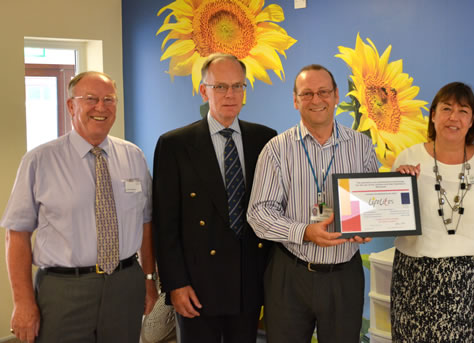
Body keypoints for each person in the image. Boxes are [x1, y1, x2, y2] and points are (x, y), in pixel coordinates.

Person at [2, 71, 157, 343]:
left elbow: (145, 222)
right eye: (91, 99)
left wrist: (148, 279)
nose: (101, 107)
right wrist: (23, 302)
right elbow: (17, 234)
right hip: (64, 289)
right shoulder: (40, 160)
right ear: (71, 106)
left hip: (125, 285)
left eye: (109, 99)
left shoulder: (133, 156)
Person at [247, 64, 377, 343]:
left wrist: (368, 225)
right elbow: (259, 213)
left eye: (323, 92)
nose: (316, 100)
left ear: (336, 95)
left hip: (344, 275)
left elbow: (371, 202)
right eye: (307, 94)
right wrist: (305, 232)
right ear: (295, 100)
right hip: (291, 275)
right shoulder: (276, 150)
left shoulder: (361, 146)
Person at [152, 53, 277, 342]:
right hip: (196, 285)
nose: (230, 94)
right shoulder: (175, 144)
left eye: (238, 86)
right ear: (203, 90)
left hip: (249, 281)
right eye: (220, 86)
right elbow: (165, 224)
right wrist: (176, 284)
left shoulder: (265, 139)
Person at [391, 82, 474, 342]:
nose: (453, 117)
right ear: (433, 115)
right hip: (415, 281)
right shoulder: (407, 159)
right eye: (446, 109)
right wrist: (397, 186)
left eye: (463, 111)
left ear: (472, 121)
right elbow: (390, 217)